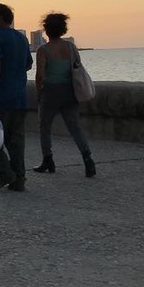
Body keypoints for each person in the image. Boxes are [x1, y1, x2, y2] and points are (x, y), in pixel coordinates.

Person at [34, 13, 95, 177]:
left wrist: (39, 92)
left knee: (45, 126)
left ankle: (48, 160)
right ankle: (88, 159)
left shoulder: (43, 50)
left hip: (50, 92)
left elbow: (40, 75)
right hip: (70, 91)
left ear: (46, 30)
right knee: (75, 127)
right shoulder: (70, 47)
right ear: (63, 29)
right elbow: (77, 66)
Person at [0, 3, 34, 191]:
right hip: (19, 98)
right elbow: (28, 64)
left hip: (1, 98)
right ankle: (19, 179)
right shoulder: (21, 38)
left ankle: (5, 174)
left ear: (1, 18)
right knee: (16, 142)